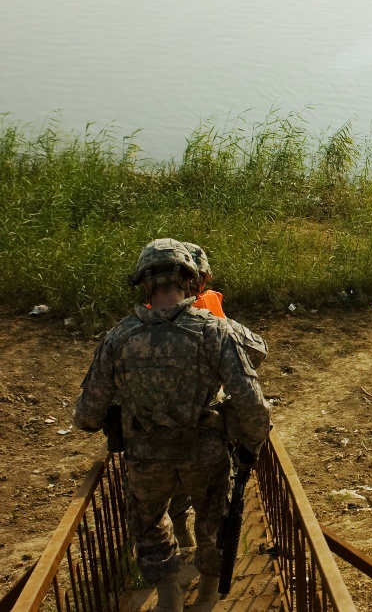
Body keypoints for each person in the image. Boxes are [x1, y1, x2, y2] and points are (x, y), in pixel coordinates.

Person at [73, 239, 271, 611]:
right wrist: (251, 446)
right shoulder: (216, 331)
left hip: (146, 458)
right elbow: (253, 405)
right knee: (212, 524)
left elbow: (85, 415)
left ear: (145, 283)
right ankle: (208, 598)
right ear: (191, 281)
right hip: (205, 452)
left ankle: (169, 597)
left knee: (149, 523)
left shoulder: (119, 337)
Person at [167, 242, 269, 550]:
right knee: (211, 491)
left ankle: (181, 533)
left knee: (174, 484)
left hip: (160, 426)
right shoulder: (211, 316)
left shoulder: (145, 318)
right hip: (204, 421)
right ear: (197, 279)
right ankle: (207, 560)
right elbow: (256, 349)